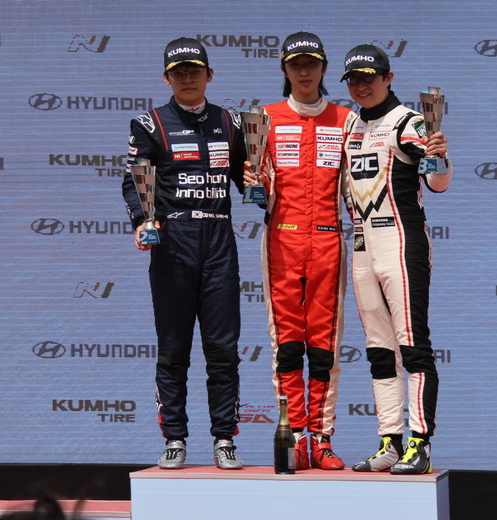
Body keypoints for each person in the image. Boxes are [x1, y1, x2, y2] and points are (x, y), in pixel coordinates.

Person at [122, 37, 246, 470]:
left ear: (210, 75)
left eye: (195, 71)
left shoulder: (232, 121)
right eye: (179, 73)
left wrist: (260, 185)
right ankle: (174, 437)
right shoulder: (150, 123)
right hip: (173, 241)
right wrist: (143, 220)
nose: (187, 78)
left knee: (223, 349)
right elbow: (135, 181)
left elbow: (247, 177)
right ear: (166, 78)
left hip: (218, 240)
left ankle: (224, 438)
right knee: (173, 348)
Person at [243, 31, 356, 470]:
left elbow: (356, 186)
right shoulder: (264, 119)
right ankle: (290, 436)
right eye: (296, 65)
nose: (304, 72)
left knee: (324, 346)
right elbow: (258, 182)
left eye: (312, 64)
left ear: (324, 69)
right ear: (284, 70)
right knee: (287, 345)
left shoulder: (345, 119)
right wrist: (254, 182)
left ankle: (321, 440)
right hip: (282, 241)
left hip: (328, 240)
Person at [340, 44, 452, 474]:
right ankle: (390, 441)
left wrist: (440, 155)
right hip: (362, 248)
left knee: (413, 346)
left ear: (388, 78)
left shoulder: (409, 121)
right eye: (354, 79)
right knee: (379, 352)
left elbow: (438, 184)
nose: (361, 86)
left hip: (401, 245)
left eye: (369, 77)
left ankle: (420, 443)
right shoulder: (350, 126)